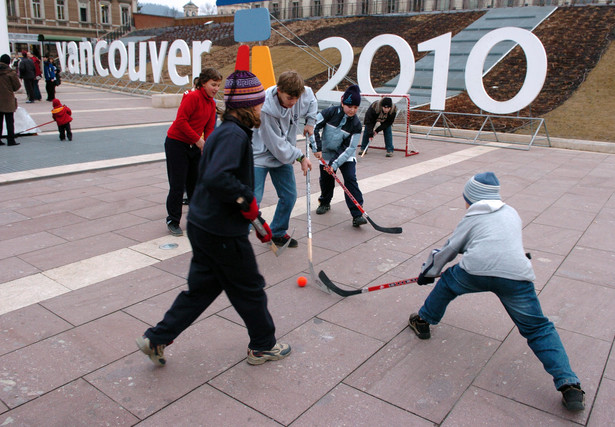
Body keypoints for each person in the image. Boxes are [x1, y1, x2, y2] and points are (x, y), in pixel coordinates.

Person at [136, 70, 291, 367]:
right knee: (250, 288)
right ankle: (263, 345)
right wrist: (246, 201)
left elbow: (218, 176)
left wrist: (252, 214)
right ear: (248, 105)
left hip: (203, 224)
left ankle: (156, 338)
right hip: (221, 232)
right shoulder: (234, 135)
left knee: (202, 289)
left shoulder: (226, 130)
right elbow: (218, 176)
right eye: (258, 103)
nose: (262, 108)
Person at [407, 172, 586, 412]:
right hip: (515, 274)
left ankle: (423, 321)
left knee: (448, 281)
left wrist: (427, 273)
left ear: (472, 198)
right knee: (538, 328)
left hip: (475, 271)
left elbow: (450, 249)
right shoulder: (511, 212)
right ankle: (569, 384)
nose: (465, 203)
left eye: (466, 198)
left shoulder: (471, 217)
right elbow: (507, 242)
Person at [252, 70, 316, 248]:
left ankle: (278, 232)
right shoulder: (265, 109)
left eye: (296, 98)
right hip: (260, 154)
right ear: (279, 90)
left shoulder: (302, 94)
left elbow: (311, 100)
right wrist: (300, 156)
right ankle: (233, 239)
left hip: (283, 153)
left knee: (289, 196)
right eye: (289, 98)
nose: (293, 102)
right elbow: (276, 145)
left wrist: (310, 121)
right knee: (253, 202)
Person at [164, 67, 222, 236]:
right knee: (177, 185)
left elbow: (209, 128)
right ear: (203, 83)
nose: (216, 89)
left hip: (195, 146)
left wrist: (208, 147)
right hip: (177, 144)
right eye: (213, 84)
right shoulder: (192, 97)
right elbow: (181, 122)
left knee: (195, 185)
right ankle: (173, 220)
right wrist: (198, 140)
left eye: (218, 85)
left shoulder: (211, 103)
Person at [313, 85, 367, 228]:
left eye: (356, 107)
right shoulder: (330, 112)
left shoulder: (356, 124)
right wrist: (316, 147)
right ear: (343, 103)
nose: (352, 110)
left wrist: (334, 164)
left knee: (350, 179)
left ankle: (357, 214)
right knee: (326, 180)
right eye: (350, 106)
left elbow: (349, 148)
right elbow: (313, 125)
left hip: (345, 156)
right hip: (326, 153)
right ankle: (325, 202)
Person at [0, 53, 21, 146]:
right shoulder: (10, 73)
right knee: (9, 121)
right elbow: (17, 87)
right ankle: (11, 140)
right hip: (8, 100)